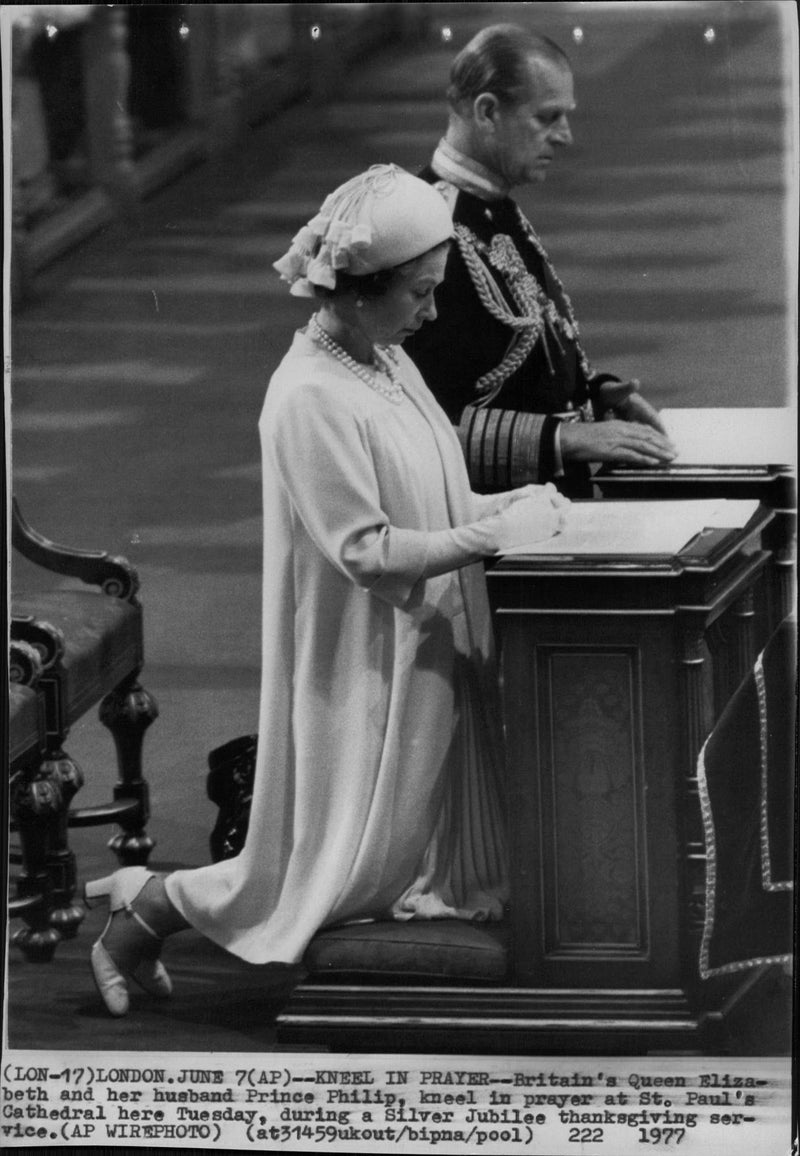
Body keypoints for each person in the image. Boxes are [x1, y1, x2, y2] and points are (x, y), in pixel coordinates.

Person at [84, 164, 570, 1017]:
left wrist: (510, 504)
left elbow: (435, 494)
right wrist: (491, 535)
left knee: (389, 862)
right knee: (333, 874)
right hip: (364, 655)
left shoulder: (386, 360)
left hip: (426, 635)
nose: (430, 313)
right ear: (353, 292)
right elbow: (369, 550)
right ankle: (148, 908)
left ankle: (148, 908)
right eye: (419, 294)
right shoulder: (306, 396)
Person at [404, 24, 677, 497]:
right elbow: (413, 424)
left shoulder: (492, 205)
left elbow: (509, 357)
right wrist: (563, 437)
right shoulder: (425, 229)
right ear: (488, 111)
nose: (565, 137)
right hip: (484, 530)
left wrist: (592, 396)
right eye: (547, 118)